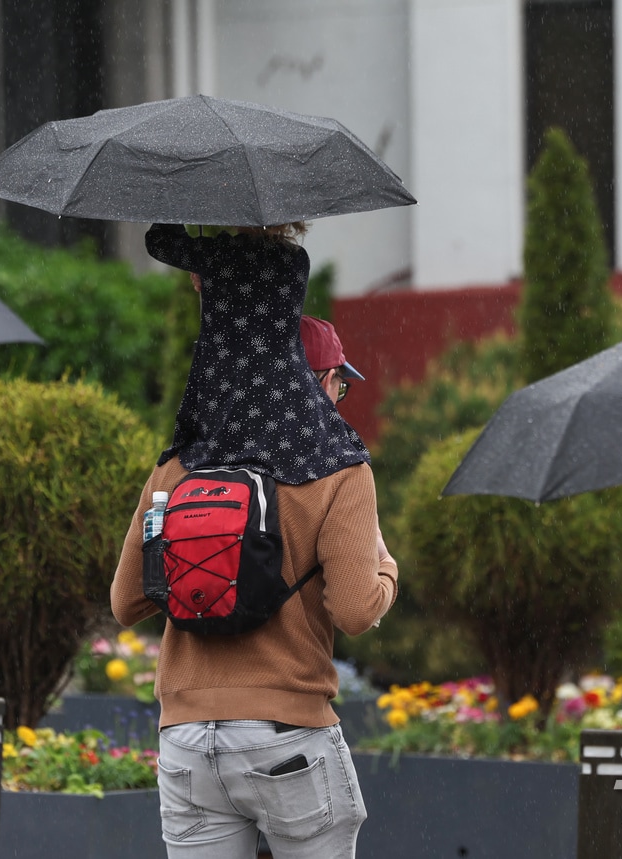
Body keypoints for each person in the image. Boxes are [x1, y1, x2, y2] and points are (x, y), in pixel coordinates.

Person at [111, 223, 397, 857]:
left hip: (186, 742)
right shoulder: (337, 464)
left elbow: (126, 603)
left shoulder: (179, 463)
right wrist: (386, 569)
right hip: (287, 739)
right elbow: (354, 609)